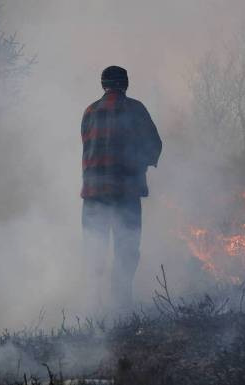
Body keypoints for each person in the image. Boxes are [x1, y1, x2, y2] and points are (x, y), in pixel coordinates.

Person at [81, 65, 162, 311]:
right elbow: (154, 145)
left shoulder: (90, 111)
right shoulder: (135, 109)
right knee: (126, 250)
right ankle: (122, 304)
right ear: (125, 84)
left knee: (94, 250)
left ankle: (93, 306)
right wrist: (140, 163)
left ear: (103, 85)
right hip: (125, 195)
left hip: (94, 195)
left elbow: (87, 144)